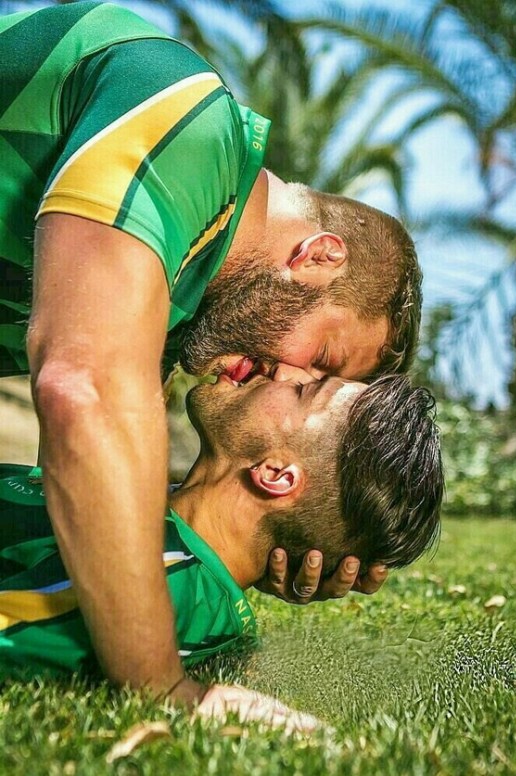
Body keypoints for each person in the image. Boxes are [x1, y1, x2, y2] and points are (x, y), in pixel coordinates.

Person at [0, 2, 421, 699]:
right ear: (317, 257)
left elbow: (64, 492)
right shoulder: (185, 119)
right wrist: (160, 683)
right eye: (320, 360)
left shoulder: (177, 304)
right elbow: (83, 390)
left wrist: (253, 538)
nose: (286, 375)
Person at [0, 366, 443, 730]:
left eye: (303, 390)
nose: (283, 368)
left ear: (275, 475)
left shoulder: (162, 581)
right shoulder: (157, 520)